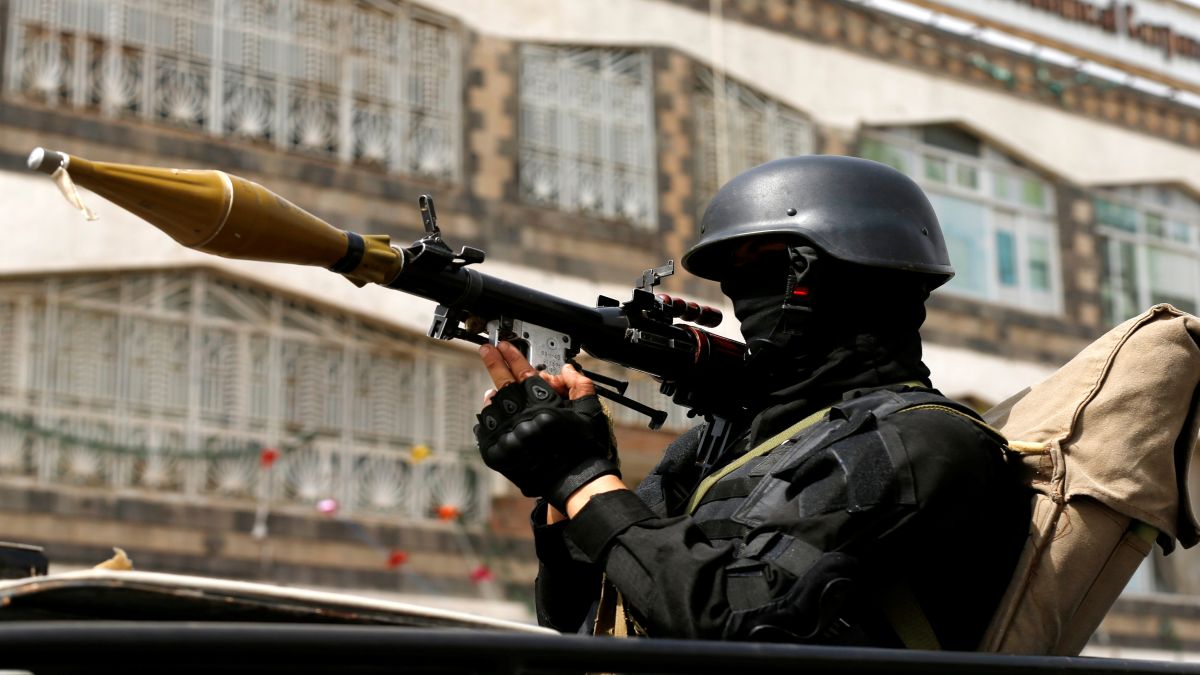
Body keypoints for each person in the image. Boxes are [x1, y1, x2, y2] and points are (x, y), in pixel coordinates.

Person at [474, 156, 1029, 648]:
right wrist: (561, 485)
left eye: (761, 262)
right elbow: (586, 618)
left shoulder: (925, 441)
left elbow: (735, 624)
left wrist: (583, 478)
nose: (740, 291)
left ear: (846, 273)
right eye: (730, 272)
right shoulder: (720, 445)